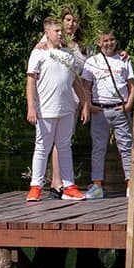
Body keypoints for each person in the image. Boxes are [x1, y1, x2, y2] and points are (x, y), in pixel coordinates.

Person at [26, 16, 89, 202]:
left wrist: (85, 103)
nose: (61, 34)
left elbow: (76, 81)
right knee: (42, 147)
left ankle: (69, 186)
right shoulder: (38, 53)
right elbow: (31, 81)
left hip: (66, 108)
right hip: (45, 109)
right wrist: (31, 107)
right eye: (57, 31)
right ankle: (36, 186)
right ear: (47, 33)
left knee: (64, 147)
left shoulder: (68, 54)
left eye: (61, 30)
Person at [81, 29, 134, 198]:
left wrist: (128, 104)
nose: (109, 43)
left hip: (120, 109)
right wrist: (89, 105)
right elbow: (86, 87)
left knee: (126, 147)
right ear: (98, 43)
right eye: (105, 40)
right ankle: (97, 185)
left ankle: (131, 185)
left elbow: (132, 86)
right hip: (100, 110)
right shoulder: (92, 62)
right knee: (98, 148)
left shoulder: (123, 60)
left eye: (112, 39)